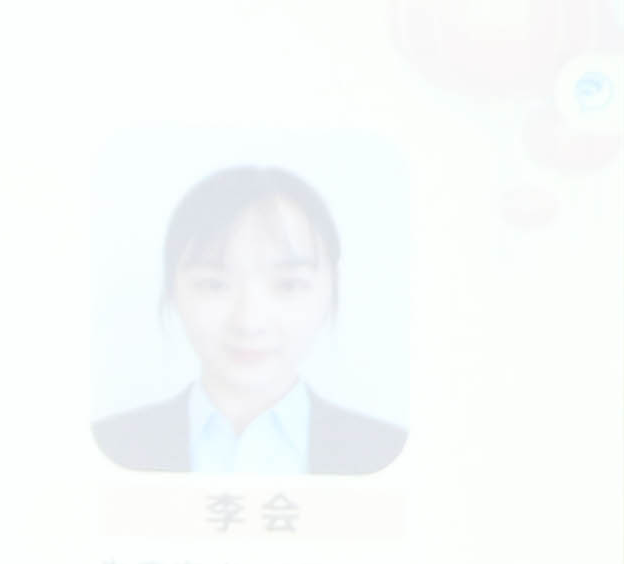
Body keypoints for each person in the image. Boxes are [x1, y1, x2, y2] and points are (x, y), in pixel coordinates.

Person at [97, 164, 407, 476]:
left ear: (331, 289)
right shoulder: (107, 451)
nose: (249, 322)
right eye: (214, 285)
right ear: (172, 290)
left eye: (288, 285)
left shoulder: (388, 457)